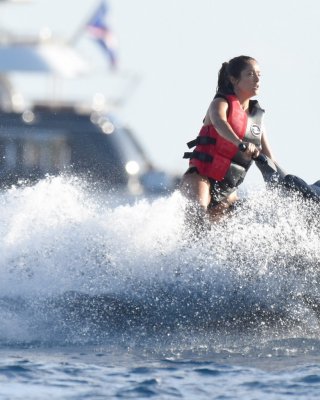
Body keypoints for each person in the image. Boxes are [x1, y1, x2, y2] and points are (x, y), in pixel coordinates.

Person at [180, 55, 276, 224]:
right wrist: (240, 143)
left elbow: (270, 159)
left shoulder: (257, 121)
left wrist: (284, 182)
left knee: (223, 235)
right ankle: (180, 250)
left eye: (259, 74)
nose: (257, 79)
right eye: (250, 74)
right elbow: (219, 122)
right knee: (198, 220)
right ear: (234, 80)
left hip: (227, 189)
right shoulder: (220, 103)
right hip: (201, 177)